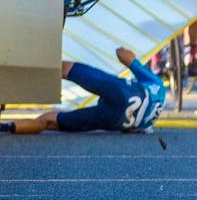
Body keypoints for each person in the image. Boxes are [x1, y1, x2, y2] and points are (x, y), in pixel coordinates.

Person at [0, 47, 165, 135]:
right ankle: (7, 127)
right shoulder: (147, 123)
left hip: (124, 92)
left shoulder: (158, 86)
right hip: (116, 119)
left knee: (64, 69)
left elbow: (123, 55)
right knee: (49, 121)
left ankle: (11, 75)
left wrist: (124, 52)